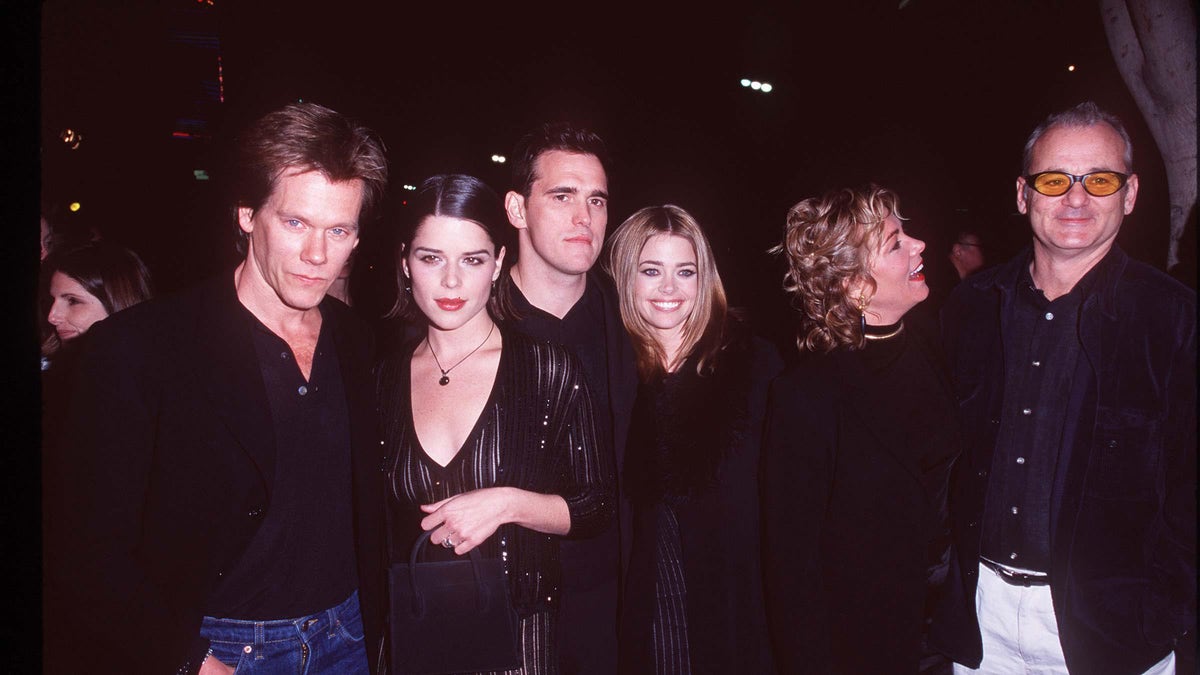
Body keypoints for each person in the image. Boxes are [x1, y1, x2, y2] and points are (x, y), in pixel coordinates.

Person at [48, 101, 389, 675]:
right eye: (296, 222)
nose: (317, 254)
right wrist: (189, 660)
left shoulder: (361, 343)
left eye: (339, 230)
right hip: (222, 652)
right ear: (246, 215)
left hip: (348, 637)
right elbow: (87, 550)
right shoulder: (143, 347)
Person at [931, 102, 1196, 675]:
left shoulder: (1175, 319)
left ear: (1130, 195)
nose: (1076, 199)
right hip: (981, 628)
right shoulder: (972, 307)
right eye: (1055, 180)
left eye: (1099, 180)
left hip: (1115, 637)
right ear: (1023, 195)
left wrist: (1163, 614)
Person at [377, 174, 615, 673]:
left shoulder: (548, 368)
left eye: (472, 259)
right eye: (431, 257)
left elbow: (598, 506)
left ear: (498, 264)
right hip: (418, 639)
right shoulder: (380, 380)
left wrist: (507, 503)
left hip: (521, 642)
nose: (451, 281)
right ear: (404, 263)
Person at [762, 185, 960, 674]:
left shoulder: (940, 348)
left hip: (955, 639)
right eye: (895, 243)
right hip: (866, 650)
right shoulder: (805, 396)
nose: (919, 246)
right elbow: (792, 571)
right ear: (854, 285)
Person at [604, 205, 780, 674]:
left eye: (685, 271)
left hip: (738, 605)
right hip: (647, 602)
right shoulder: (611, 374)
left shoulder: (754, 367)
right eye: (650, 271)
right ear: (626, 278)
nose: (669, 289)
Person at [502, 121, 637, 674]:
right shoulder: (464, 325)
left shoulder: (637, 324)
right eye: (562, 196)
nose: (585, 218)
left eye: (597, 200)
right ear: (517, 208)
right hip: (506, 620)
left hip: (617, 617)